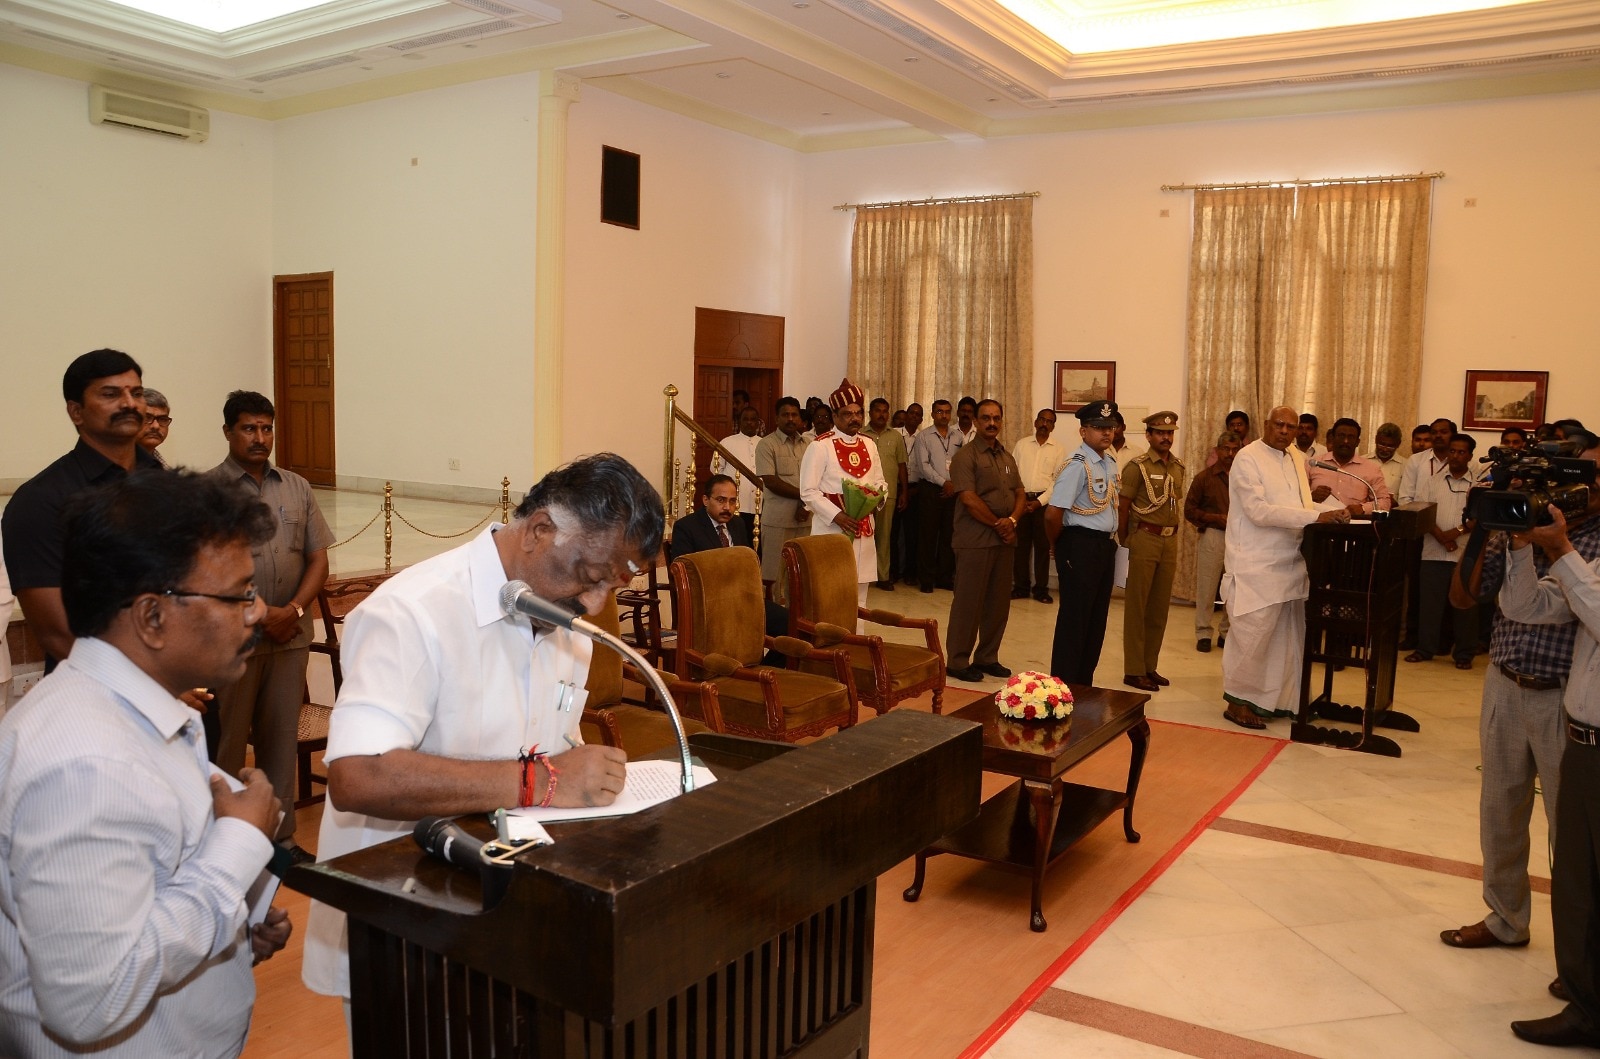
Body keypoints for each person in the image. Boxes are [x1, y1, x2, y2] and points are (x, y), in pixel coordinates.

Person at [302, 453, 653, 1006]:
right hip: (404, 923)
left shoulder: (567, 628)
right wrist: (542, 781)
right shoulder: (412, 612)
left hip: (508, 916)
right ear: (540, 531)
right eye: (589, 577)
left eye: (611, 586)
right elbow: (358, 777)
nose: (594, 604)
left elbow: (552, 749)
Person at [0, 470, 291, 1057]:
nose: (257, 613)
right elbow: (90, 1002)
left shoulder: (143, 711)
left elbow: (154, 874)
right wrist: (238, 846)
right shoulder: (86, 764)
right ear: (152, 617)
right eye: (238, 595)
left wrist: (234, 919)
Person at [1442, 458, 1600, 965]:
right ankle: (1505, 919)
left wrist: (1555, 545)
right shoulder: (1522, 523)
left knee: (1568, 832)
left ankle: (1580, 956)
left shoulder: (1591, 542)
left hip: (1563, 697)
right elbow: (1487, 601)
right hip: (1505, 682)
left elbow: (1574, 607)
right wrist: (1502, 532)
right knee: (1500, 811)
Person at [209, 391, 332, 857]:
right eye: (249, 428)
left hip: (290, 635)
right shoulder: (209, 491)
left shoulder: (297, 487)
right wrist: (258, 612)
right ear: (228, 432)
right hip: (234, 640)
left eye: (266, 428)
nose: (260, 437)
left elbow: (318, 559)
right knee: (227, 745)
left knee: (279, 741)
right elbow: (206, 568)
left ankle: (280, 840)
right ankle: (225, 843)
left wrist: (293, 611)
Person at [1500, 503, 1600, 1049]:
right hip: (1583, 739)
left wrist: (1561, 549)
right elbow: (1526, 607)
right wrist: (1521, 547)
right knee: (1579, 886)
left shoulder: (1580, 556)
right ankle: (1586, 1009)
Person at [2, 349, 163, 671]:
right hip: (98, 687)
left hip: (184, 676)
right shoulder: (40, 501)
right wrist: (150, 685)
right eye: (110, 394)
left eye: (136, 393)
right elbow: (58, 634)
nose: (130, 404)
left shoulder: (166, 485)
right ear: (76, 411)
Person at [1220, 406, 1348, 729]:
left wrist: (1338, 511)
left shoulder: (1295, 457)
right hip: (1255, 563)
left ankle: (1279, 701)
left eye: (1291, 427)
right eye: (1279, 424)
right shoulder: (1247, 458)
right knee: (1253, 637)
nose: (1285, 431)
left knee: (1286, 639)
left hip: (1289, 561)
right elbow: (1259, 511)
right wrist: (1317, 516)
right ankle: (1237, 702)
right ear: (1266, 424)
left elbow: (1298, 506)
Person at [945, 400, 1024, 682]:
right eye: (986, 418)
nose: (992, 423)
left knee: (998, 604)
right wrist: (998, 524)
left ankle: (987, 657)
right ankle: (957, 661)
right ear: (976, 422)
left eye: (996, 418)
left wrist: (1012, 520)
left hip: (1004, 541)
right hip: (975, 540)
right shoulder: (965, 457)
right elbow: (968, 498)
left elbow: (1019, 492)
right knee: (968, 602)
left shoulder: (1007, 457)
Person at [1045, 401, 1121, 685]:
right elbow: (1053, 514)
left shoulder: (1109, 462)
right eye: (1099, 427)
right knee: (1074, 622)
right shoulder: (1077, 465)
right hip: (1080, 545)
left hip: (1104, 546)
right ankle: (1063, 687)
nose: (1106, 433)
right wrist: (1057, 544)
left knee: (1095, 621)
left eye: (1110, 427)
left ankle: (1083, 685)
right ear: (1083, 431)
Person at [799, 379, 887, 615]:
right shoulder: (820, 446)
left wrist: (877, 499)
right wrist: (837, 516)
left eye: (858, 413)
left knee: (860, 597)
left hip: (864, 529)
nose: (854, 418)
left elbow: (880, 482)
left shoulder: (870, 444)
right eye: (847, 414)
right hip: (831, 530)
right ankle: (829, 637)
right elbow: (807, 491)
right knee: (829, 591)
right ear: (834, 416)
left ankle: (857, 637)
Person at [671, 474, 788, 647]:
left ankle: (761, 663)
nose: (727, 507)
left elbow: (746, 563)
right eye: (721, 500)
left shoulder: (737, 524)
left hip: (743, 599)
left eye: (732, 501)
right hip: (711, 603)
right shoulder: (687, 527)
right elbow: (684, 573)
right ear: (705, 500)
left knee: (791, 626)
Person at [1119, 411, 1185, 692]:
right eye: (1160, 433)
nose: (1166, 438)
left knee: (1159, 608)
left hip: (1169, 541)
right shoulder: (1137, 467)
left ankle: (1149, 665)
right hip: (1145, 538)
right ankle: (1133, 670)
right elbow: (1123, 506)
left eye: (1170, 433)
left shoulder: (1178, 467)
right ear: (1149, 435)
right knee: (1137, 607)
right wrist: (1126, 540)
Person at [1408, 434, 1479, 668]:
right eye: (1452, 451)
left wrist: (1455, 533)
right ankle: (1424, 649)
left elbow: (1480, 518)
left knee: (1465, 606)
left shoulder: (1478, 485)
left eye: (1461, 452)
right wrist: (1442, 538)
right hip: (1433, 552)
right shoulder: (1432, 482)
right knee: (1429, 605)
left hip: (1465, 555)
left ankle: (1464, 654)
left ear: (1470, 456)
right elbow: (1422, 512)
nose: (1455, 456)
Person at [1186, 430, 1239, 652]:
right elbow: (1189, 510)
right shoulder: (1204, 478)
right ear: (1217, 450)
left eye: (1234, 450)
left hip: (1239, 538)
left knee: (1234, 588)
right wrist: (1215, 518)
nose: (1230, 454)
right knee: (1207, 586)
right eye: (1226, 449)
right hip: (1213, 535)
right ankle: (1204, 633)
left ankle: (1226, 633)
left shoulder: (1244, 478)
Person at [754, 396, 810, 604]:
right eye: (785, 415)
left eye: (794, 414)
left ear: (800, 418)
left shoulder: (810, 445)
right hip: (777, 521)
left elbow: (817, 480)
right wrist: (805, 497)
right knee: (774, 574)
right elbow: (771, 482)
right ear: (777, 418)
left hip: (806, 518)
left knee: (802, 572)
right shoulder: (766, 444)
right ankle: (773, 617)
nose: (790, 419)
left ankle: (797, 616)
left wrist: (807, 505)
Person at [1012, 408, 1067, 603]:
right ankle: (1020, 587)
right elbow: (1013, 474)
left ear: (1053, 426)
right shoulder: (1022, 445)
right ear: (1035, 422)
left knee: (1043, 547)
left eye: (1049, 421)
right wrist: (1020, 498)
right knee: (1020, 547)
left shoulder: (1058, 449)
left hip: (1044, 504)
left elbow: (1057, 481)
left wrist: (1038, 502)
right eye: (1042, 420)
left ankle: (1041, 589)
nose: (1044, 424)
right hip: (1020, 500)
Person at [909, 399, 963, 593]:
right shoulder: (923, 436)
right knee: (928, 536)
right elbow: (923, 466)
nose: (944, 415)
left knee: (949, 535)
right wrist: (943, 482)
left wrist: (953, 484)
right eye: (939, 412)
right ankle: (926, 579)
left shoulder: (958, 436)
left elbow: (962, 463)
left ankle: (944, 577)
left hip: (952, 491)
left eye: (947, 412)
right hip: (931, 489)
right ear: (932, 414)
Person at [862, 397, 909, 591]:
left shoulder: (896, 437)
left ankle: (883, 576)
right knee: (863, 537)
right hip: (863, 495)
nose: (881, 415)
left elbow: (901, 465)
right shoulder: (860, 435)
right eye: (877, 410)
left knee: (884, 537)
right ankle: (862, 576)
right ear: (870, 413)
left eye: (885, 411)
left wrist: (904, 491)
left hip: (887, 495)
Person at [1308, 418, 1393, 515]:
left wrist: (1363, 508)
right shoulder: (1313, 464)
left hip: (1353, 523)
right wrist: (1311, 496)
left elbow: (1385, 502)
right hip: (1318, 521)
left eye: (1351, 437)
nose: (1345, 441)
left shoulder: (1371, 469)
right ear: (1333, 438)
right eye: (1341, 436)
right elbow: (1296, 496)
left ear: (1357, 442)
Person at [712, 405, 763, 543]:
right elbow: (716, 469)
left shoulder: (764, 443)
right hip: (737, 505)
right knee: (738, 541)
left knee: (758, 543)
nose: (749, 423)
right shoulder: (727, 442)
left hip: (760, 504)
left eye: (753, 419)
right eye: (745, 419)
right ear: (739, 421)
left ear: (758, 422)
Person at [1369, 421, 1406, 499]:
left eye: (1390, 446)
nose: (1385, 449)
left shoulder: (1406, 465)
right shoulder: (1363, 461)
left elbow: (1407, 496)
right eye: (1381, 444)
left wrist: (1395, 501)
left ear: (1398, 444)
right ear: (1376, 439)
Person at [140, 387, 173, 467]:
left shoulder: (162, 467)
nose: (156, 426)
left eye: (162, 419)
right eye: (147, 418)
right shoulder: (117, 466)